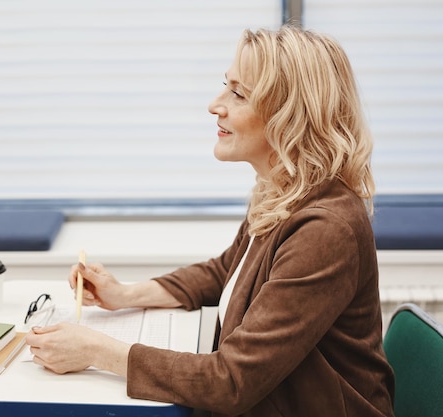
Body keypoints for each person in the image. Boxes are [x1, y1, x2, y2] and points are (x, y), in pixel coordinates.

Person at [26, 25, 395, 417]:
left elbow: (231, 382)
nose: (214, 104)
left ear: (290, 116)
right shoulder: (284, 191)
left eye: (238, 94)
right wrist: (125, 295)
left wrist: (96, 350)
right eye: (225, 86)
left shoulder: (324, 229)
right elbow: (226, 272)